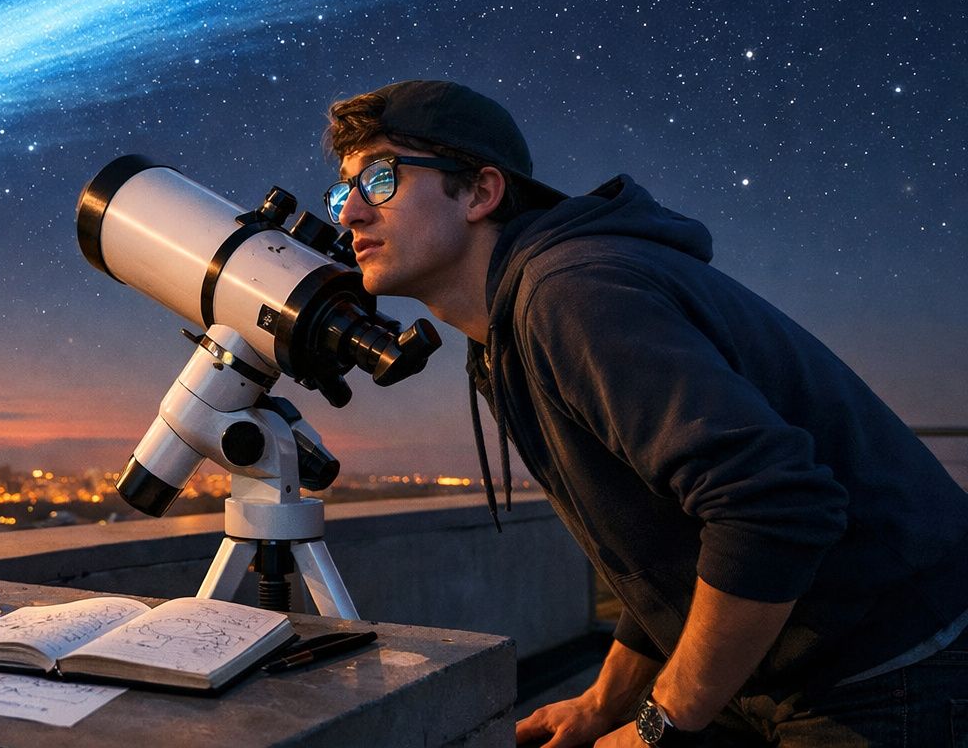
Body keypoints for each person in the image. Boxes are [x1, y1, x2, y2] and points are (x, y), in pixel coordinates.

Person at [321, 79, 968, 747]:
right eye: (343, 192)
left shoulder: (570, 294)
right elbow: (671, 549)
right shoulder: (513, 326)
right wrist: (604, 704)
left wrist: (659, 725)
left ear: (482, 192)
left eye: (381, 178)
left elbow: (775, 508)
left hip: (883, 669)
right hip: (780, 659)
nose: (349, 215)